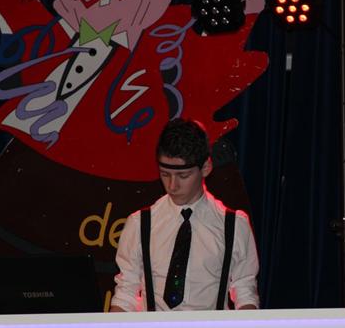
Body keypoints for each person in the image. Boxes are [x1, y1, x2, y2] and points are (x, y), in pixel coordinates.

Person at [109, 119, 259, 312]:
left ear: (206, 167)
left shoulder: (234, 225)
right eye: (165, 174)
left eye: (183, 176)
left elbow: (245, 291)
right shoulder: (140, 223)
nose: (172, 186)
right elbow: (125, 293)